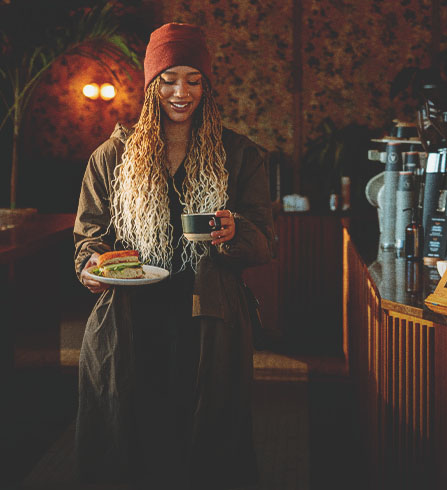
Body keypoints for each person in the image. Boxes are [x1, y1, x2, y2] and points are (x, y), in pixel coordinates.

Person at [73, 22, 274, 489]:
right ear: (150, 86)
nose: (181, 92)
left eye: (193, 79)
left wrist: (235, 231)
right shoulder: (112, 156)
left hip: (211, 320)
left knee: (207, 444)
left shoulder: (240, 154)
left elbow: (265, 241)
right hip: (130, 318)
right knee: (131, 440)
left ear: (207, 84)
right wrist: (92, 268)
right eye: (168, 79)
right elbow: (88, 240)